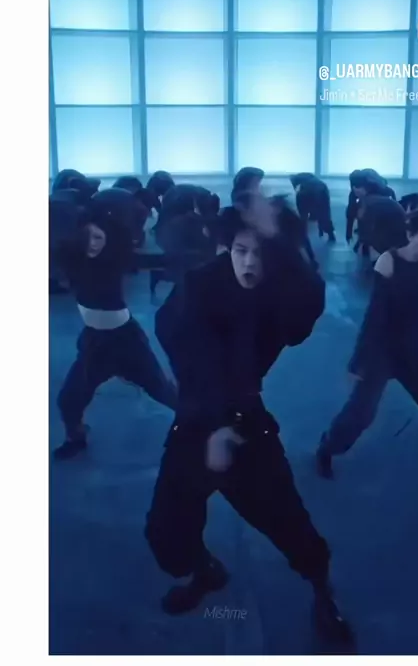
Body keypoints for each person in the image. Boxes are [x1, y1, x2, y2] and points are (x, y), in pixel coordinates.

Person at [146, 194, 355, 649]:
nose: (249, 263)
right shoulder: (201, 286)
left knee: (289, 523)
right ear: (226, 248)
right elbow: (186, 346)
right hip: (199, 421)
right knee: (167, 529)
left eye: (260, 254)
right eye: (241, 251)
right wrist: (214, 421)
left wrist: (282, 240)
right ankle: (204, 569)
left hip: (247, 424)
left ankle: (322, 592)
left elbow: (303, 316)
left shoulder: (280, 292)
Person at [53, 197, 177, 461]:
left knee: (162, 391)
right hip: (94, 343)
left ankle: (206, 427)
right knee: (69, 399)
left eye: (99, 238)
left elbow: (153, 260)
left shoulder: (115, 260)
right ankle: (76, 437)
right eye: (88, 237)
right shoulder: (71, 260)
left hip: (126, 341)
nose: (93, 244)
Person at [316, 207, 418, 479]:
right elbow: (375, 317)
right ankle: (328, 447)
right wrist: (359, 361)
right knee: (362, 412)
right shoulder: (389, 262)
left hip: (417, 347)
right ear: (410, 234)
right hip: (384, 351)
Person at [346, 169, 396, 257]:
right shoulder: (357, 190)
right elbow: (351, 211)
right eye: (353, 187)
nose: (354, 189)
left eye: (356, 188)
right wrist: (349, 231)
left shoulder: (379, 188)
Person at [291, 173, 336, 242]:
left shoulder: (296, 180)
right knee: (324, 212)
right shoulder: (308, 177)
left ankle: (303, 233)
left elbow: (297, 191)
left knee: (303, 214)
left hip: (309, 191)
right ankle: (330, 233)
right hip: (322, 189)